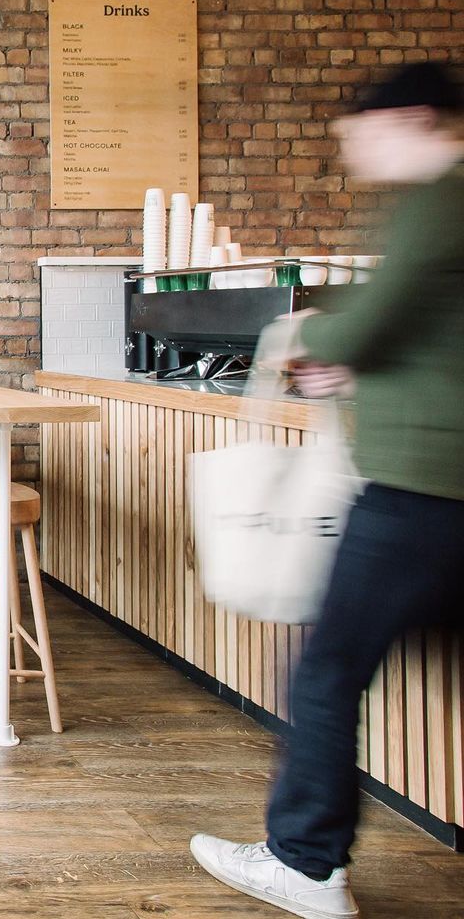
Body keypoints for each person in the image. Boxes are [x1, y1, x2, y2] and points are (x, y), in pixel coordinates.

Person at [190, 60, 464, 919]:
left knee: (324, 671)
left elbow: (378, 320)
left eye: (361, 135)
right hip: (440, 488)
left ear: (414, 120)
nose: (355, 153)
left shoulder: (438, 203)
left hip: (420, 490)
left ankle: (305, 863)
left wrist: (317, 327)